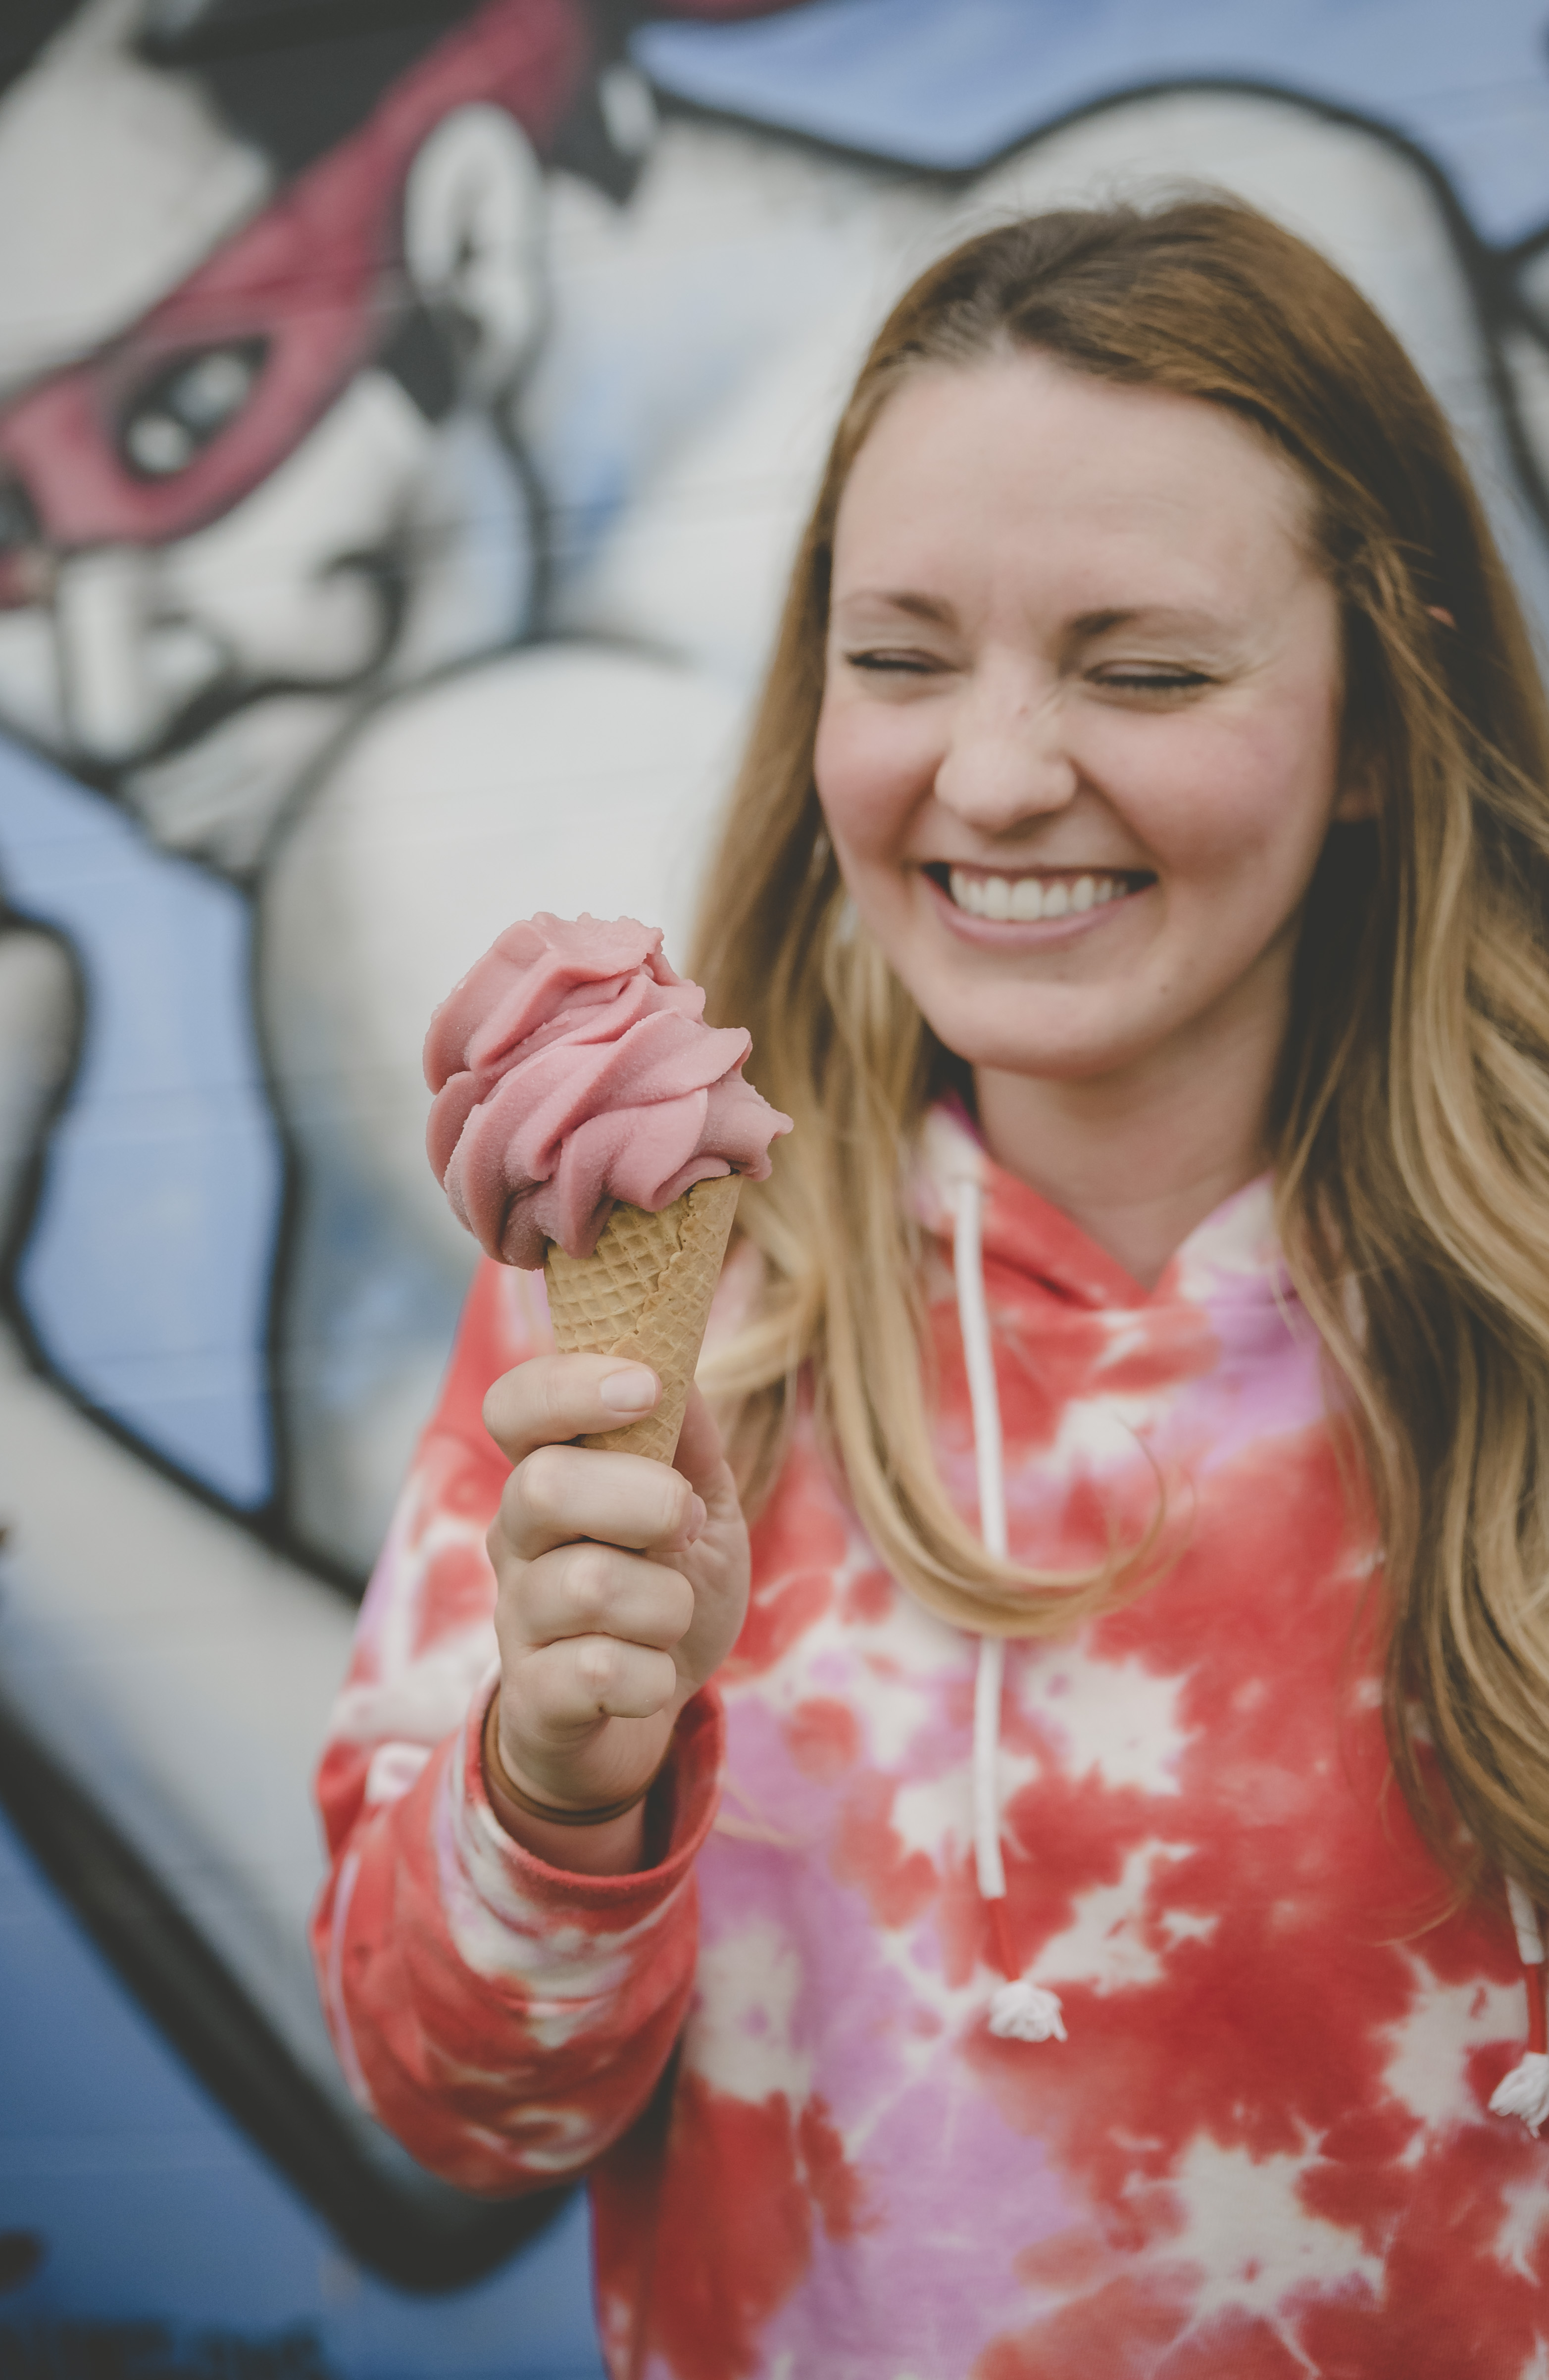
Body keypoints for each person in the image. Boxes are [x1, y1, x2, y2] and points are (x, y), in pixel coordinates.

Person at [313, 199, 1549, 2373]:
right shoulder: (646, 1324)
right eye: (896, 656)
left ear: (1369, 720)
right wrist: (559, 1775)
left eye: (1140, 665)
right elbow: (459, 2109)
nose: (984, 777)